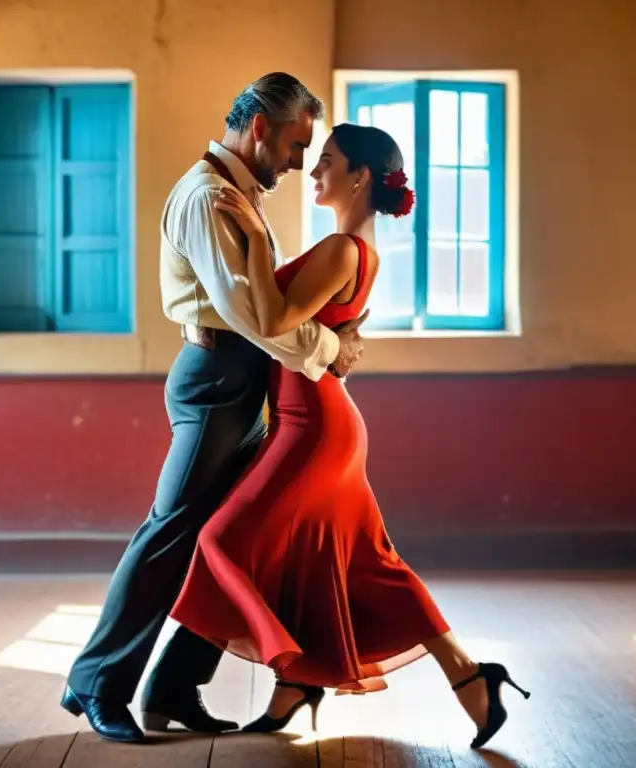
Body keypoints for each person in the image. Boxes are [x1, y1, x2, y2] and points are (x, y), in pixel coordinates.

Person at [168, 123, 531, 750]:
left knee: (220, 541)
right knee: (369, 564)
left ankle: (293, 672)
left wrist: (252, 234)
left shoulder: (341, 250)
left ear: (360, 177)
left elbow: (274, 317)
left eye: (327, 162)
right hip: (321, 420)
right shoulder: (354, 249)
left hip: (313, 430)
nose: (312, 173)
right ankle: (469, 678)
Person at [59, 73, 368, 744]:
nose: (297, 162)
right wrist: (329, 348)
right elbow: (251, 312)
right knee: (170, 535)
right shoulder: (208, 197)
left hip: (242, 380)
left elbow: (252, 310)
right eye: (293, 144)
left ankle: (174, 683)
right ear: (259, 126)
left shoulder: (235, 195)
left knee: (236, 541)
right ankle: (97, 683)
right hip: (217, 384)